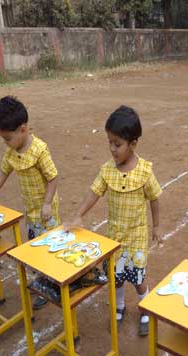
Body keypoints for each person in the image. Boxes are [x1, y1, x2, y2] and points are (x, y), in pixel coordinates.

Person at [65, 105, 162, 337]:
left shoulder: (145, 172)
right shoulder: (107, 170)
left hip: (136, 236)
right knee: (116, 277)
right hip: (115, 237)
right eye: (109, 142)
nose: (112, 149)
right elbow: (94, 192)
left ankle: (145, 308)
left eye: (117, 144)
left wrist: (156, 226)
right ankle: (119, 307)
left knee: (137, 277)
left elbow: (155, 198)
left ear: (133, 143)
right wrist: (79, 214)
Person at [0, 96, 60, 310]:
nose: (5, 143)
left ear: (23, 129)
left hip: (45, 210)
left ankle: (52, 284)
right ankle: (42, 278)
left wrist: (47, 203)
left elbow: (53, 177)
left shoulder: (40, 150)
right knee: (34, 243)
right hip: (31, 209)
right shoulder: (12, 151)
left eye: (7, 138)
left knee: (48, 246)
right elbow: (3, 171)